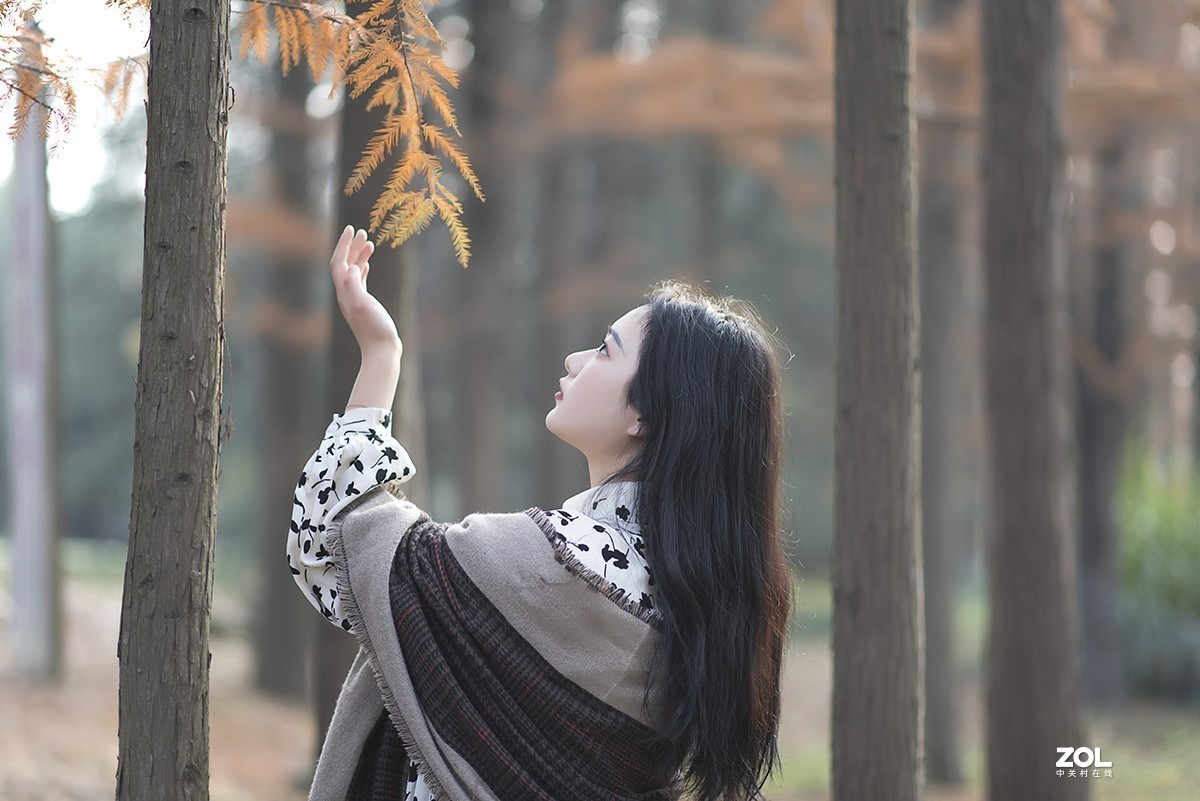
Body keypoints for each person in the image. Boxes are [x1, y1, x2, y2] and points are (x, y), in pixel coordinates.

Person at [288, 226, 791, 801]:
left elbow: (338, 543)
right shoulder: (694, 602)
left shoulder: (552, 564)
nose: (575, 360)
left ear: (645, 415)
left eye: (604, 350)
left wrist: (380, 357)